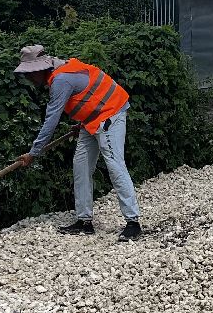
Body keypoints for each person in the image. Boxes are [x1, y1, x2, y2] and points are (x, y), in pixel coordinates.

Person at [13, 45, 141, 241]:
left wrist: (33, 153)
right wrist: (81, 122)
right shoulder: (59, 71)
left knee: (115, 166)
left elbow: (51, 119)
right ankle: (84, 221)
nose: (29, 79)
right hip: (90, 121)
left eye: (30, 74)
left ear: (40, 69)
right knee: (80, 166)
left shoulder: (61, 80)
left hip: (110, 114)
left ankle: (133, 223)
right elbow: (88, 96)